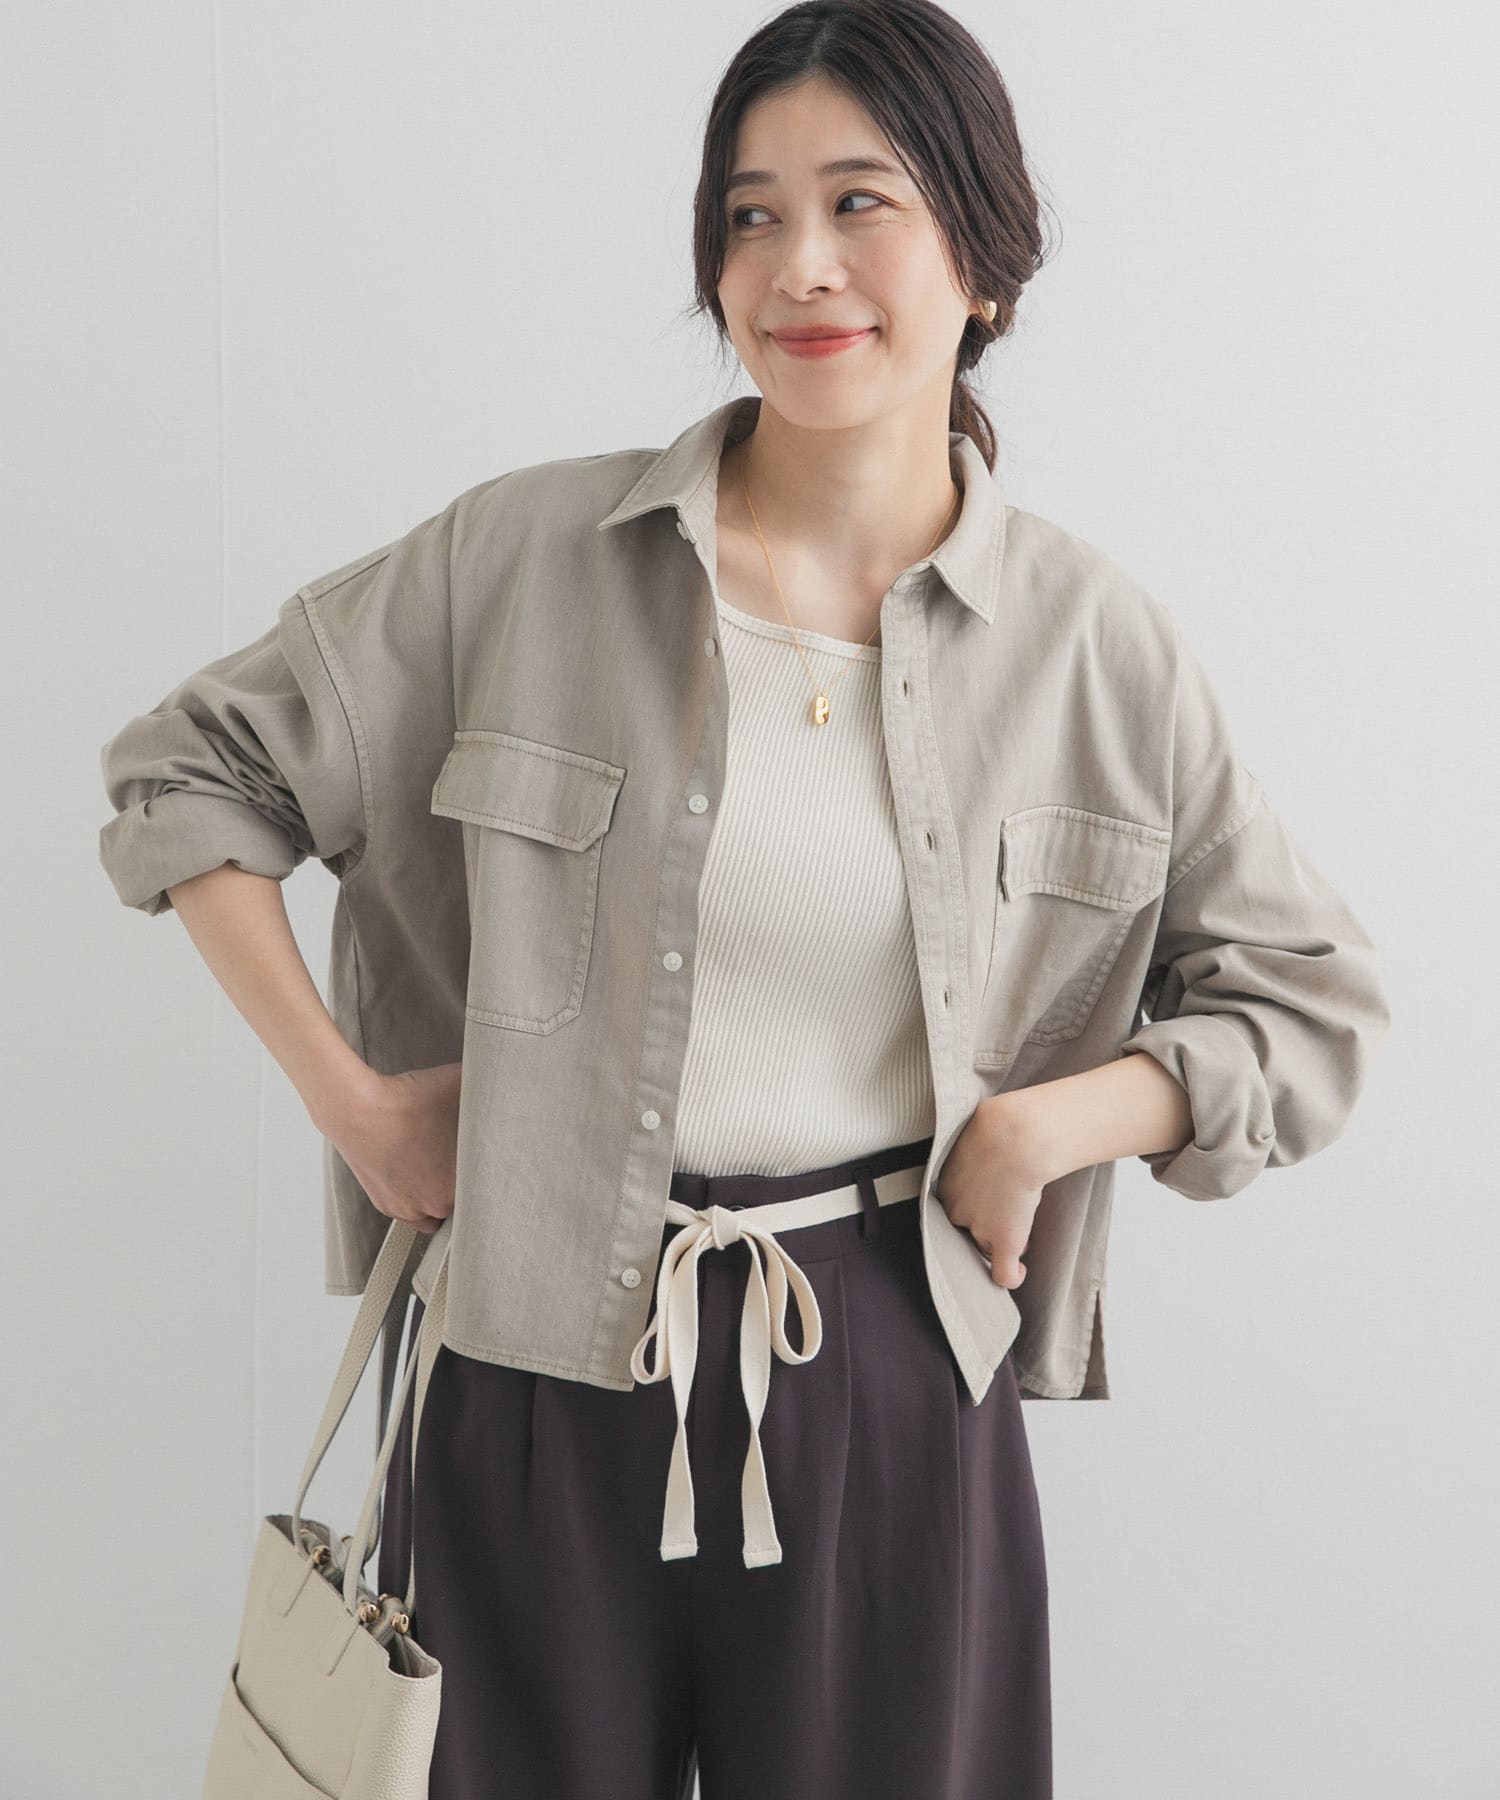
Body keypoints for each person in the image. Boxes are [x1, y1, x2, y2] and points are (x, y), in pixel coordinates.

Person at [96, 4, 1391, 1796]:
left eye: (861, 203)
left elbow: (1307, 1004)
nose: (799, 267)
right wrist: (358, 1106)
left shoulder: (1096, 649)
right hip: (531, 1354)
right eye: (750, 215)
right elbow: (188, 776)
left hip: (890, 1367)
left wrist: (1048, 1129)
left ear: (982, 260)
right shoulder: (523, 559)